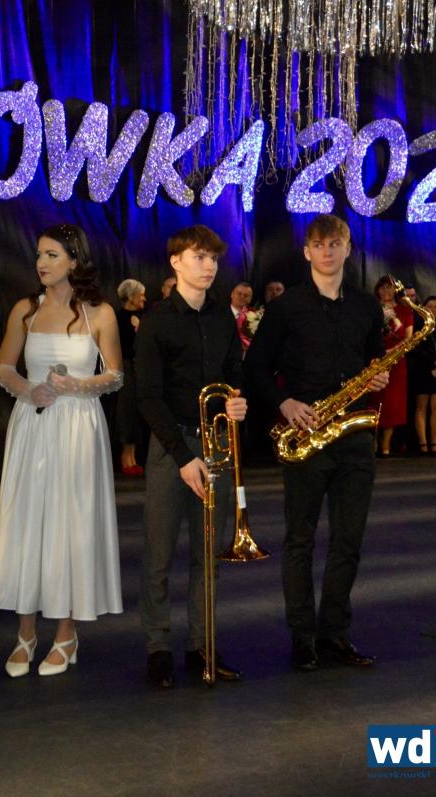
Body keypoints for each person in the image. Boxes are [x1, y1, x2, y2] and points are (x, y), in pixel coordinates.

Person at [244, 213, 388, 672]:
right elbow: (254, 369)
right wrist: (284, 403)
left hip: (354, 438)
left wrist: (378, 376)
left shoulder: (366, 307)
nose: (327, 252)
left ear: (348, 249)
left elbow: (373, 362)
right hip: (305, 434)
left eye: (335, 243)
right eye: (319, 244)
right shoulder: (285, 307)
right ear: (307, 251)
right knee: (300, 541)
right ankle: (303, 637)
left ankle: (334, 634)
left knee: (349, 541)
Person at [0, 224, 125, 678]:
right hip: (33, 423)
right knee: (27, 523)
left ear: (74, 260)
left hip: (79, 426)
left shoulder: (101, 313)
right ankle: (25, 633)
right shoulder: (24, 310)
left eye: (51, 255)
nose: (41, 263)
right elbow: (3, 368)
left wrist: (76, 386)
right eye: (39, 255)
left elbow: (115, 375)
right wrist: (29, 390)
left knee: (71, 524)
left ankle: (66, 633)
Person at [137, 225, 247, 689]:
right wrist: (183, 456)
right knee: (159, 554)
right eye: (199, 257)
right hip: (170, 449)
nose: (208, 266)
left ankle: (202, 645)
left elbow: (233, 374)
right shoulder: (157, 320)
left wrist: (236, 403)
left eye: (213, 259)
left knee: (209, 555)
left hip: (214, 445)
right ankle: (158, 648)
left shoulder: (222, 318)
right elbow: (148, 396)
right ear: (175, 262)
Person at [368, 276, 412, 457]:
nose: (386, 291)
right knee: (374, 401)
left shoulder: (404, 310)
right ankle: (373, 442)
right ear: (377, 290)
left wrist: (392, 351)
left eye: (390, 288)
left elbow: (408, 338)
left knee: (393, 404)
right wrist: (378, 353)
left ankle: (386, 444)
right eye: (383, 288)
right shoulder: (371, 309)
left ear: (396, 291)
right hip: (375, 361)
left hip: (396, 362)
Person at [408, 296, 436, 454]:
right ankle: (423, 443)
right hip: (422, 369)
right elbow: (415, 348)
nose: (433, 309)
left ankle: (434, 442)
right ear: (422, 308)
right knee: (422, 406)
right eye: (429, 306)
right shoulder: (417, 325)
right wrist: (433, 360)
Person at [115, 278, 147, 475]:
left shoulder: (144, 316)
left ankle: (134, 456)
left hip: (141, 369)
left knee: (137, 412)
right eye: (141, 295)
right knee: (127, 412)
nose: (144, 298)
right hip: (126, 368)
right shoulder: (118, 318)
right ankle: (126, 457)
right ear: (131, 296)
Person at [230, 282, 255, 353]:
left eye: (246, 295)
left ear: (250, 299)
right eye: (239, 293)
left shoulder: (254, 319)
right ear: (232, 294)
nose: (242, 297)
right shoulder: (220, 313)